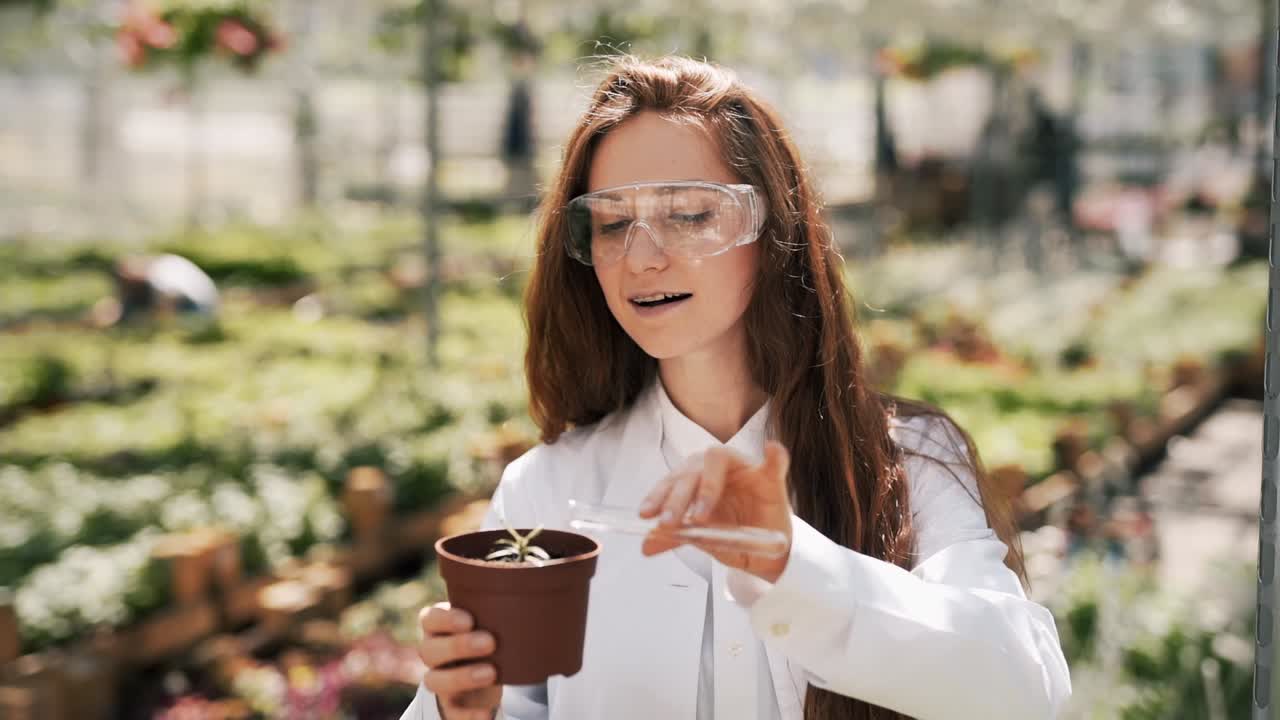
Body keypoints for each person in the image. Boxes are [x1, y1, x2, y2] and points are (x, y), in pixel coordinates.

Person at [402, 55, 1072, 720]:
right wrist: (463, 712)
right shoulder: (550, 489)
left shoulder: (905, 460)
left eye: (689, 215)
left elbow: (1022, 691)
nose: (641, 257)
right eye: (610, 224)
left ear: (774, 229)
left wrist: (794, 565)